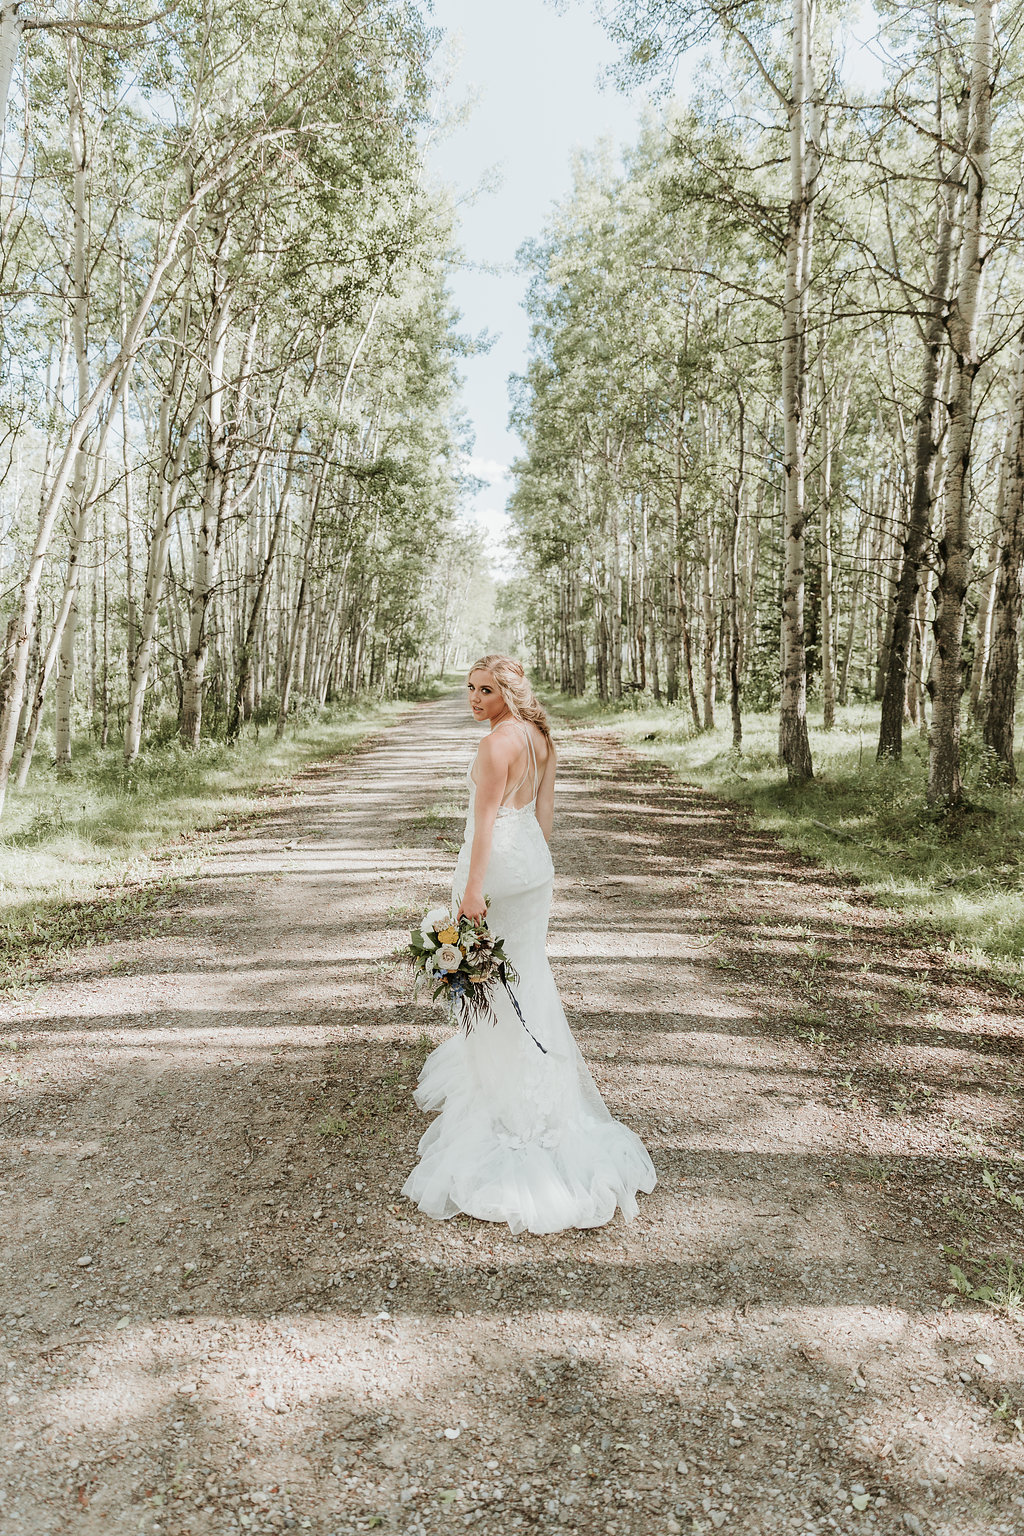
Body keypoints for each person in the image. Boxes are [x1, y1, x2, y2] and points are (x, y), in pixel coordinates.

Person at [402, 654, 656, 1235]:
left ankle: (512, 1098)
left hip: (497, 875)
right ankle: (538, 1081)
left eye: (485, 690)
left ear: (509, 691)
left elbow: (485, 823)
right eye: (470, 689)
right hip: (535, 869)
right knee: (527, 973)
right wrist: (534, 864)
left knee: (495, 981)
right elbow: (542, 816)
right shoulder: (541, 736)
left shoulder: (497, 745)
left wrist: (471, 893)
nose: (474, 699)